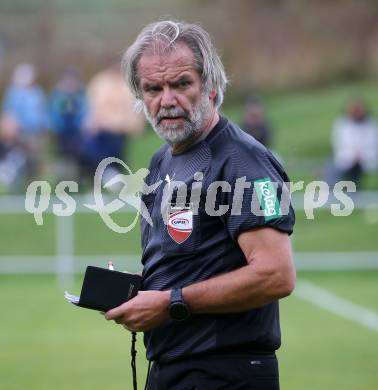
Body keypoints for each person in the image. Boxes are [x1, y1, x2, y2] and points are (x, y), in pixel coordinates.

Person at [104, 21, 296, 390]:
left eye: (181, 84)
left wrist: (170, 301)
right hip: (170, 368)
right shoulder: (162, 162)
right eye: (153, 88)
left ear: (211, 87)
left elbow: (276, 274)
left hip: (225, 373)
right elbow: (187, 262)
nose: (167, 100)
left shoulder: (243, 162)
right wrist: (138, 293)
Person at [80, 62, 144, 181]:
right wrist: (93, 122)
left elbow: (133, 108)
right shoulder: (101, 82)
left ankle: (112, 175)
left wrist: (133, 125)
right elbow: (93, 104)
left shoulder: (127, 84)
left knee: (116, 154)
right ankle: (104, 174)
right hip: (102, 127)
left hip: (120, 129)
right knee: (92, 150)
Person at [1, 63, 48, 181]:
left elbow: (43, 114)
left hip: (36, 132)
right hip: (20, 132)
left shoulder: (37, 93)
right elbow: (9, 115)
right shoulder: (13, 94)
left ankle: (32, 178)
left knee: (34, 147)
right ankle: (11, 169)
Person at [328, 97, 378, 188]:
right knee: (330, 168)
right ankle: (332, 194)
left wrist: (361, 155)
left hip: (367, 158)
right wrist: (352, 155)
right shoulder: (342, 124)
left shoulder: (371, 124)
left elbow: (373, 144)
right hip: (347, 158)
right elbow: (338, 144)